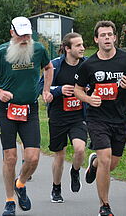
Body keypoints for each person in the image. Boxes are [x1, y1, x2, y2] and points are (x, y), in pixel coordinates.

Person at [0, 16, 54, 216]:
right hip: (7, 110)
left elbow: (48, 67)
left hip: (30, 109)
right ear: (12, 33)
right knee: (10, 157)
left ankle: (20, 183)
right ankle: (10, 200)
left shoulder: (38, 49)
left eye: (27, 34)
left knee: (33, 158)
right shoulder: (0, 53)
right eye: (20, 35)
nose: (24, 39)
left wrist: (46, 90)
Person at [74, 21, 126, 216]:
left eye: (110, 34)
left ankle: (93, 164)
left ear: (115, 38)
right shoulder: (89, 65)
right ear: (96, 39)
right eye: (103, 35)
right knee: (106, 158)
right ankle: (105, 206)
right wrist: (88, 98)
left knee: (112, 163)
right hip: (97, 118)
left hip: (121, 117)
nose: (107, 38)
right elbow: (77, 90)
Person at [40, 32, 88, 203]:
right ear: (67, 48)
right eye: (78, 45)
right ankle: (56, 188)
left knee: (80, 149)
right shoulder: (54, 66)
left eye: (82, 45)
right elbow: (42, 88)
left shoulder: (87, 64)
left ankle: (75, 171)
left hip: (78, 116)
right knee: (59, 155)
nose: (82, 48)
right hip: (58, 116)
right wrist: (59, 90)